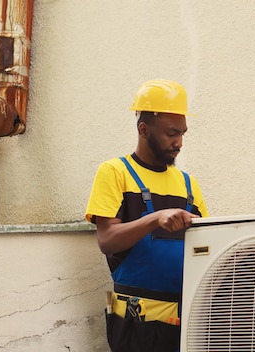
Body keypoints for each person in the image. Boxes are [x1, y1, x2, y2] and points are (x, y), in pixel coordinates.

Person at [85, 79, 209, 352]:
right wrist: (154, 219)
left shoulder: (188, 184)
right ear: (143, 129)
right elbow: (106, 240)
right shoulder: (115, 172)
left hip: (186, 320)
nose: (179, 143)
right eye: (171, 133)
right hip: (137, 323)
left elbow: (208, 245)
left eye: (183, 134)